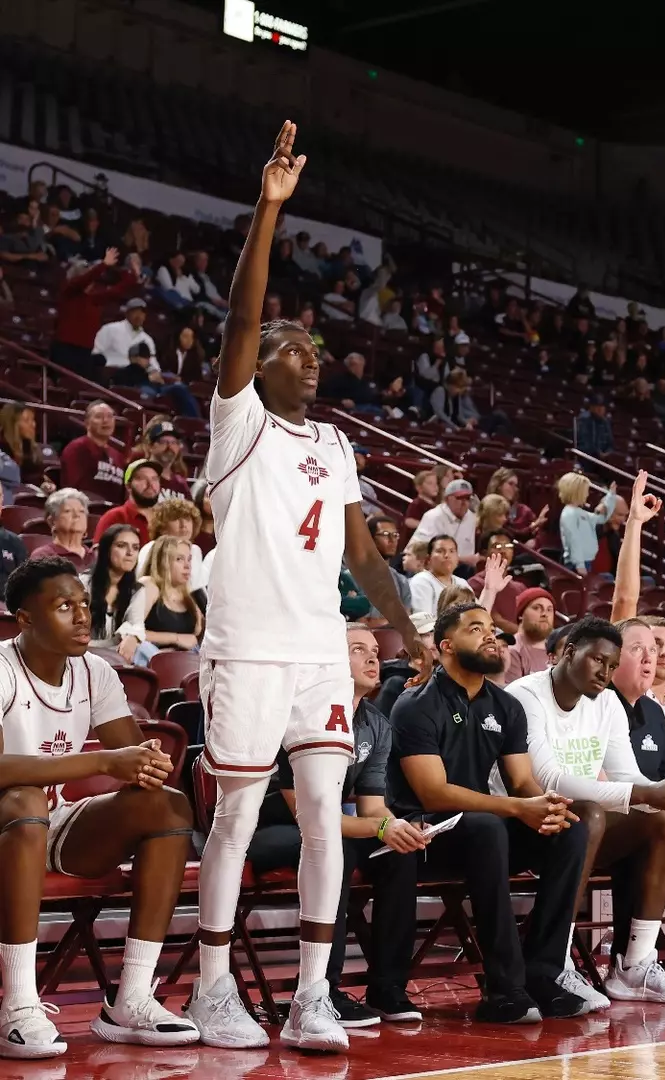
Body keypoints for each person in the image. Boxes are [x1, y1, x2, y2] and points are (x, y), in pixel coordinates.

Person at [186, 122, 426, 1055]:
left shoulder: (335, 444)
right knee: (241, 812)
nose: (308, 356)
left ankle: (313, 996)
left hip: (320, 645)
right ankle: (212, 988)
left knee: (327, 812)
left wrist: (407, 626)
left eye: (313, 349)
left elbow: (361, 558)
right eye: (292, 348)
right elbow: (241, 322)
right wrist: (269, 210)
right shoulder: (237, 424)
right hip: (245, 644)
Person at [0, 559, 201, 1057]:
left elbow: (132, 765)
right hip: (9, 825)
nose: (82, 617)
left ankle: (130, 999)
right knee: (23, 800)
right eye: (64, 606)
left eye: (85, 604)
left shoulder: (96, 672)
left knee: (167, 807)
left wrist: (146, 765)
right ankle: (19, 1004)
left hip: (50, 822)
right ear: (25, 620)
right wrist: (105, 760)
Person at [388, 603, 587, 1023]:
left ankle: (543, 975)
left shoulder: (505, 706)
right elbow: (434, 792)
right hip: (423, 836)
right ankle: (504, 989)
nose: (490, 636)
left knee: (569, 832)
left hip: (482, 833)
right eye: (475, 629)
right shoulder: (415, 704)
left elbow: (522, 782)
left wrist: (545, 807)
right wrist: (518, 807)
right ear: (446, 646)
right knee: (488, 828)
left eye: (493, 628)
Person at [505, 617, 665, 1006]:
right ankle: (557, 962)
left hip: (578, 824)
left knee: (664, 821)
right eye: (597, 661)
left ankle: (635, 965)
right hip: (521, 822)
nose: (605, 673)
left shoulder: (608, 700)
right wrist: (646, 790)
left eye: (612, 666)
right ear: (567, 652)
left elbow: (626, 772)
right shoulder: (525, 695)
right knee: (592, 814)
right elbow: (547, 778)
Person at [246, 625, 430, 1025]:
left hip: (328, 825)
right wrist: (378, 828)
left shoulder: (376, 724)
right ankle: (319, 989)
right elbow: (306, 813)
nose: (371, 658)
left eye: (375, 651)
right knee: (338, 847)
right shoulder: (300, 713)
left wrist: (397, 827)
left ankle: (388, 987)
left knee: (397, 854)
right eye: (357, 650)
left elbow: (373, 808)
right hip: (267, 825)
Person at [115, 535, 204, 664]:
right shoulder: (150, 585)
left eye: (189, 559)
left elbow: (195, 637)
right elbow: (131, 632)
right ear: (163, 562)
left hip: (183, 661)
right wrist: (176, 638)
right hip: (151, 659)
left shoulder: (189, 595)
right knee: (142, 647)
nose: (187, 566)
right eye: (179, 559)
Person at [60, 402, 126, 500]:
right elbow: (72, 488)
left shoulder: (118, 456)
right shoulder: (77, 448)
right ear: (87, 423)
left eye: (110, 416)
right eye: (99, 417)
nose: (105, 420)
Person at [557, 473, 618, 574]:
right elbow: (573, 539)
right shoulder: (569, 513)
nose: (587, 494)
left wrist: (609, 498)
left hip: (585, 561)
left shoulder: (581, 512)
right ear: (578, 492)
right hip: (575, 564)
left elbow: (602, 519)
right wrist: (579, 564)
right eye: (585, 491)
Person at [410, 479, 478, 567]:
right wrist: (462, 559)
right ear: (447, 499)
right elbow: (421, 554)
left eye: (467, 498)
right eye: (459, 498)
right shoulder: (434, 516)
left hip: (459, 570)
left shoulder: (471, 518)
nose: (464, 503)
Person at [500, 587, 557, 684]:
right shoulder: (512, 651)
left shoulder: (558, 651)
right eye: (537, 608)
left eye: (549, 610)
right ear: (521, 615)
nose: (544, 614)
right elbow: (514, 696)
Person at [408, 535, 462, 615]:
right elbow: (422, 621)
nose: (447, 555)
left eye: (452, 551)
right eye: (440, 551)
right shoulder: (421, 581)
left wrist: (487, 589)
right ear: (429, 558)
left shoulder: (462, 583)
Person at [41, 488, 91, 562]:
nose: (77, 515)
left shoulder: (95, 557)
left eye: (81, 511)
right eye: (68, 511)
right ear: (52, 521)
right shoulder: (43, 556)